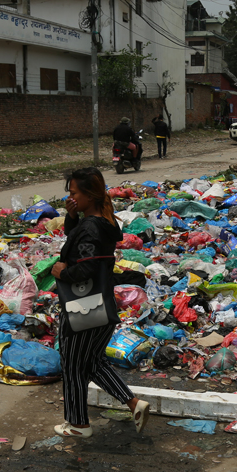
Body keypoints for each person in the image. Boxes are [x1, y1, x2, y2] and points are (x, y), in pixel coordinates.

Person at [50, 167, 149, 437]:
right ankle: (134, 403)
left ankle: (79, 425)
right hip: (100, 305)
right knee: (91, 363)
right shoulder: (102, 222)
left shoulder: (92, 227)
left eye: (73, 194)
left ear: (90, 195)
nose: (70, 198)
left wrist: (62, 272)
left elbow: (87, 266)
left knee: (72, 365)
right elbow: (79, 241)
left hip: (83, 307)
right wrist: (72, 216)